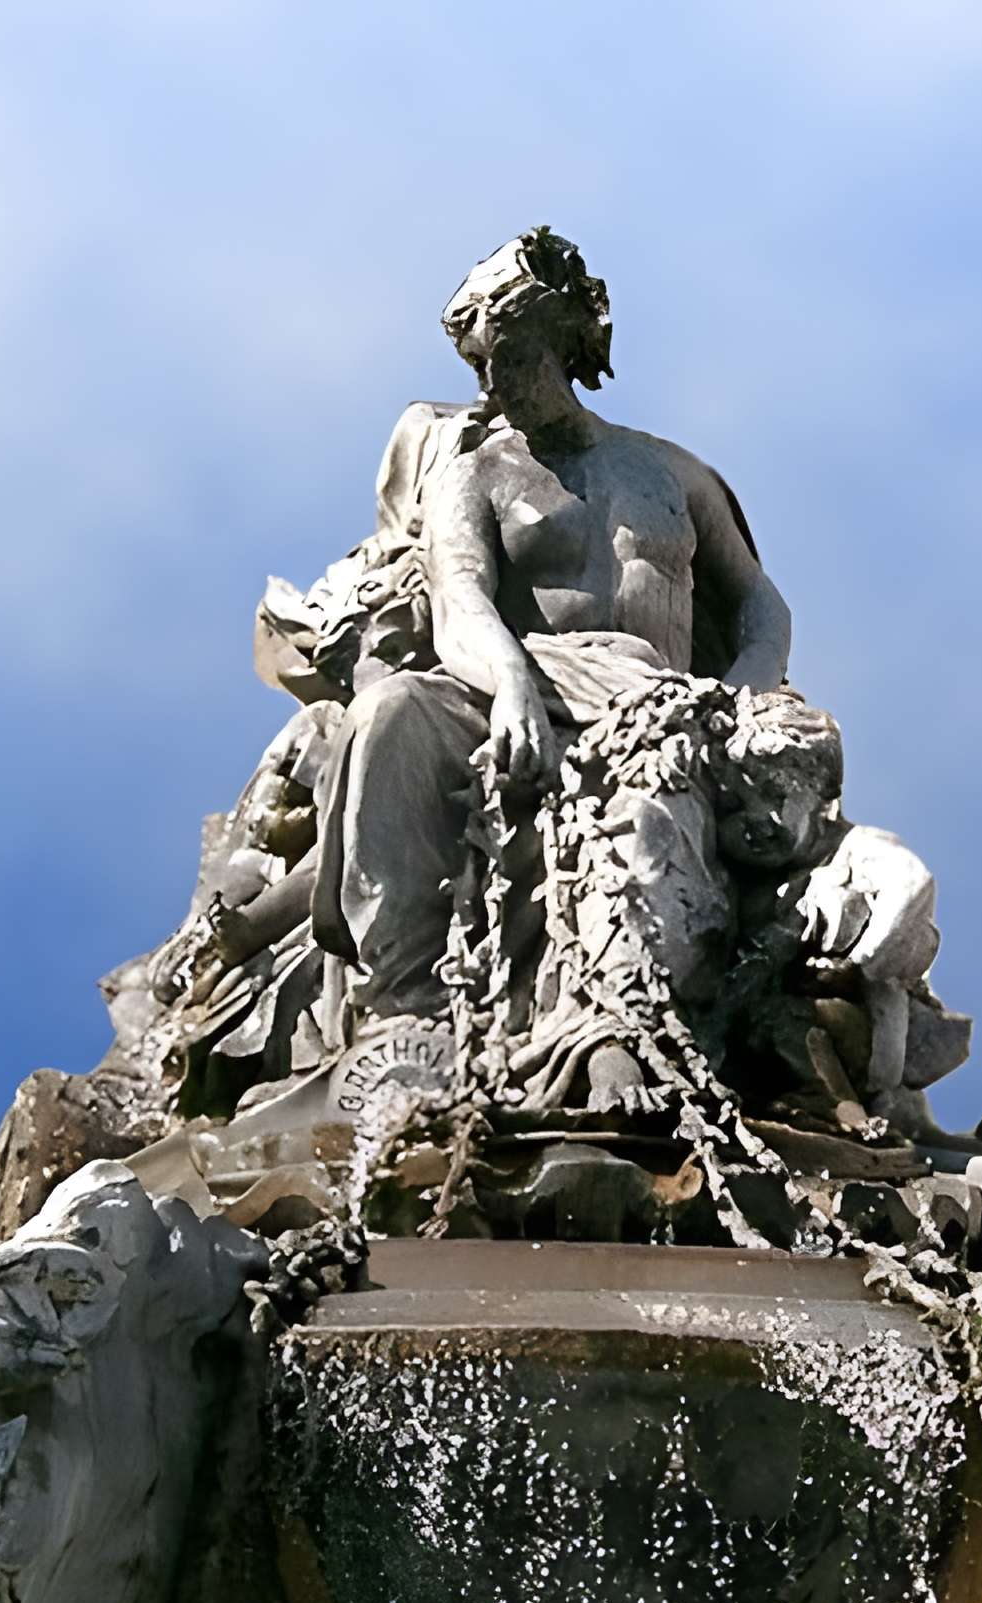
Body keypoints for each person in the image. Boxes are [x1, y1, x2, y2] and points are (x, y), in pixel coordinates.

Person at [309, 231, 794, 1032]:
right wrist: (510, 688)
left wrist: (741, 699)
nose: (497, 383)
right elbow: (459, 596)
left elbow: (759, 604)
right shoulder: (476, 471)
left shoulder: (672, 473)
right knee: (389, 713)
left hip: (657, 702)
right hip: (522, 682)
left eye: (515, 355)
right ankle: (403, 1001)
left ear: (569, 342)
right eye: (480, 365)